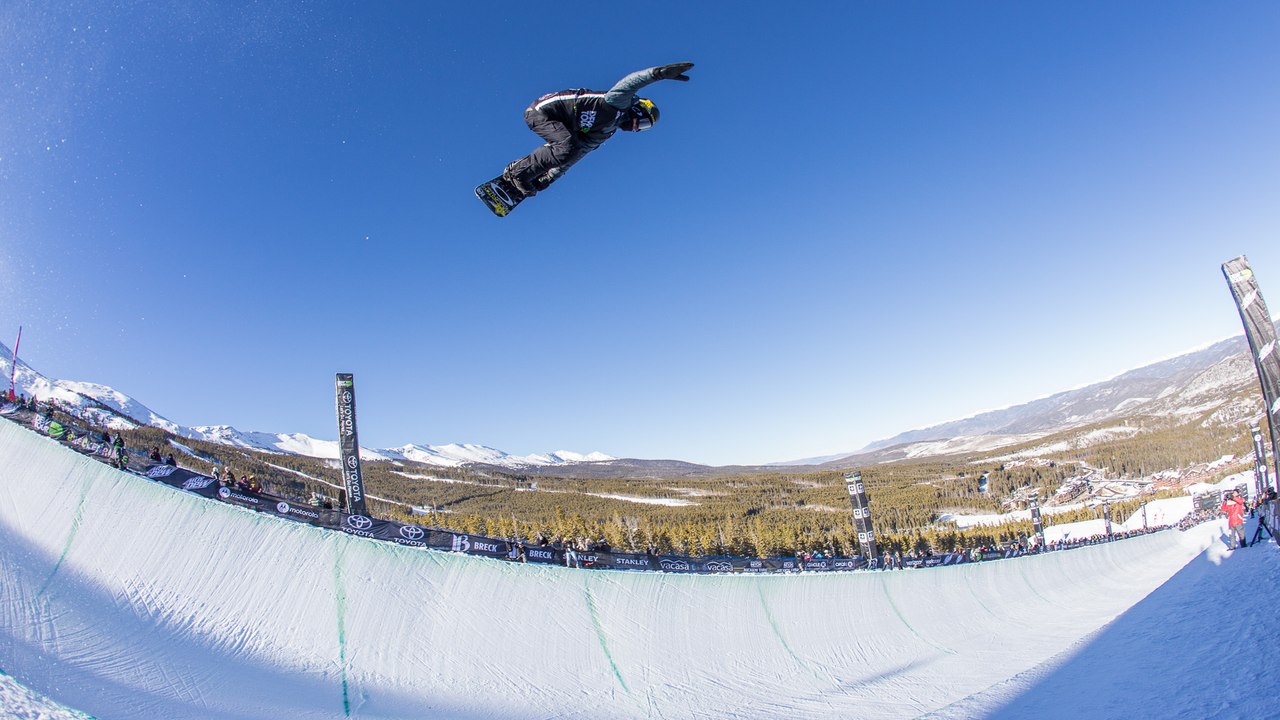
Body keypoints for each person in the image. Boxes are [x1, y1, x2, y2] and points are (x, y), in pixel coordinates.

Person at [501, 62, 694, 198]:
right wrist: (658, 74)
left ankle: (527, 172)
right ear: (637, 111)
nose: (636, 129)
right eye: (642, 124)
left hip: (563, 127)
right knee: (567, 146)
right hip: (542, 111)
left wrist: (550, 178)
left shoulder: (606, 132)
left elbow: (577, 155)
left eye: (642, 129)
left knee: (571, 149)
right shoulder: (618, 104)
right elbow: (630, 83)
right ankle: (517, 172)